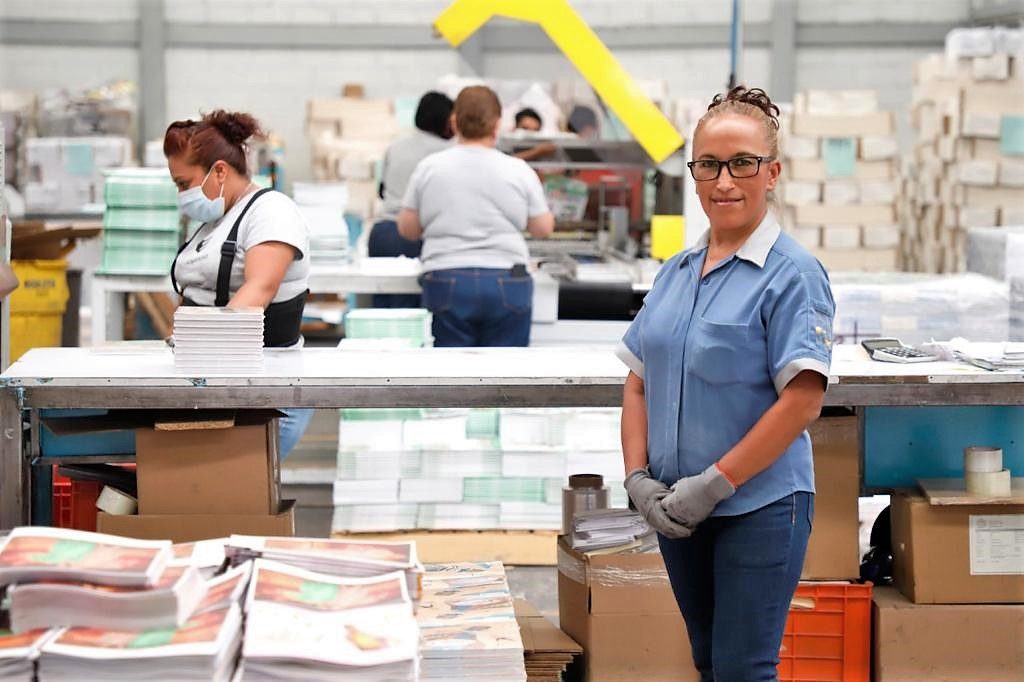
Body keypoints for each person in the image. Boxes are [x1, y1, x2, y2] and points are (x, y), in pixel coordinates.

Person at [616, 86, 836, 681]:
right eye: (708, 165)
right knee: (709, 661)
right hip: (675, 510)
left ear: (773, 173)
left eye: (743, 163)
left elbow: (802, 400)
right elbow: (639, 380)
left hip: (758, 508)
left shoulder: (792, 274)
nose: (724, 181)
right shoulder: (677, 272)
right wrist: (637, 477)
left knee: (743, 669)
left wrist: (715, 484)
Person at [164, 110, 313, 458]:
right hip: (215, 388)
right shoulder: (213, 222)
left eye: (184, 184)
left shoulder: (271, 212)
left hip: (263, 397)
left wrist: (200, 348)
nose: (182, 195)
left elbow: (257, 292)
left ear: (219, 171)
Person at [397, 85, 555, 347]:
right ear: (497, 124)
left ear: (454, 122)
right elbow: (542, 228)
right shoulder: (518, 169)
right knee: (505, 381)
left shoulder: (429, 167)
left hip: (446, 278)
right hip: (507, 280)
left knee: (452, 382)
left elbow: (408, 229)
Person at [372, 91, 454, 307]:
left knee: (384, 306)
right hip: (416, 235)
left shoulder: (395, 146)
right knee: (415, 312)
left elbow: (382, 190)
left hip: (383, 234)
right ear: (445, 121)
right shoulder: (448, 152)